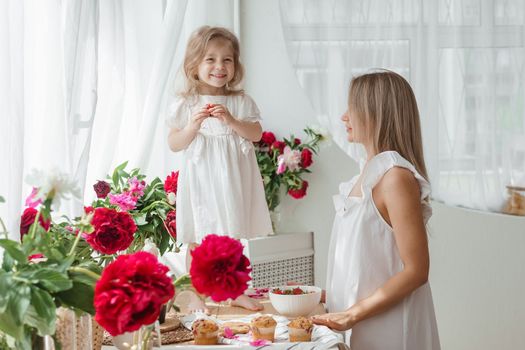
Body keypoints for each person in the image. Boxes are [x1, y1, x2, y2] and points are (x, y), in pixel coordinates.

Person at [312, 70, 441, 350]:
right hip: (362, 321)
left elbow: (417, 270)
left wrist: (352, 313)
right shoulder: (367, 172)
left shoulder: (394, 177)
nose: (344, 117)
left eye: (352, 108)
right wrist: (328, 295)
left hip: (389, 327)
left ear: (376, 112)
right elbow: (367, 260)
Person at [166, 26, 272, 312]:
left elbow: (256, 134)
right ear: (194, 65)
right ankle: (195, 294)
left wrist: (232, 121)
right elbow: (175, 143)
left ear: (235, 65)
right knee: (197, 239)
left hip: (232, 181)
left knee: (232, 238)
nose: (219, 66)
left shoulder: (240, 101)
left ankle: (234, 291)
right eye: (210, 59)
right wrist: (193, 125)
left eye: (227, 59)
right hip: (201, 181)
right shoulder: (186, 104)